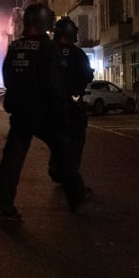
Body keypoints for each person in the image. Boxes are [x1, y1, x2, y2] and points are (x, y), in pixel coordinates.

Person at [0, 3, 81, 224]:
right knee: (63, 153)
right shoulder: (47, 48)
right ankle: (77, 196)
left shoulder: (15, 47)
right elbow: (54, 84)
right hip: (44, 112)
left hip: (21, 111)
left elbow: (7, 76)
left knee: (11, 161)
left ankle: (3, 208)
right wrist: (61, 113)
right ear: (44, 22)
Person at [48, 17, 95, 203]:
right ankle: (72, 183)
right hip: (73, 105)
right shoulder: (77, 54)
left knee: (57, 140)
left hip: (52, 107)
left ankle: (55, 168)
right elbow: (86, 75)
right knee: (75, 142)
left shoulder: (49, 53)